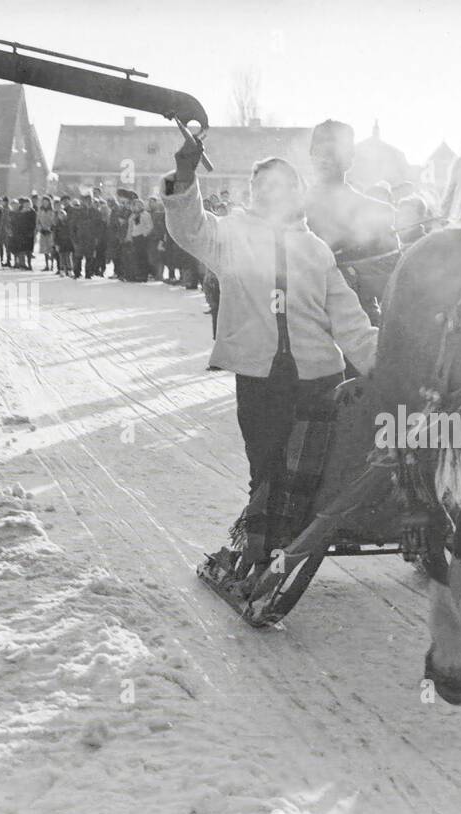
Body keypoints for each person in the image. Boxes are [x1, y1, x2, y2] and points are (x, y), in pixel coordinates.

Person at [162, 132, 378, 593]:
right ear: (252, 193)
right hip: (261, 380)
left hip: (320, 379)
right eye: (261, 187)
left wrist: (386, 365)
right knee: (266, 468)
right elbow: (189, 227)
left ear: (296, 193)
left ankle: (288, 548)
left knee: (312, 473)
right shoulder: (231, 235)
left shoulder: (316, 251)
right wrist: (185, 175)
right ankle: (261, 555)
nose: (268, 194)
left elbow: (351, 325)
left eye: (279, 186)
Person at [304, 119, 398, 322]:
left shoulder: (376, 212)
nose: (324, 160)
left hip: (358, 321)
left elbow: (391, 279)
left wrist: (348, 273)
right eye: (317, 152)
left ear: (349, 159)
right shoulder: (291, 211)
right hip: (302, 325)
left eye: (332, 153)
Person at [36, 196, 55, 271]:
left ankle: (52, 265)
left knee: (51, 248)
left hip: (50, 232)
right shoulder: (40, 210)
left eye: (46, 202)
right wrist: (40, 228)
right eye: (43, 202)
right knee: (45, 249)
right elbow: (38, 221)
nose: (45, 203)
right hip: (43, 231)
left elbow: (53, 221)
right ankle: (47, 265)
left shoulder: (52, 211)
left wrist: (50, 228)